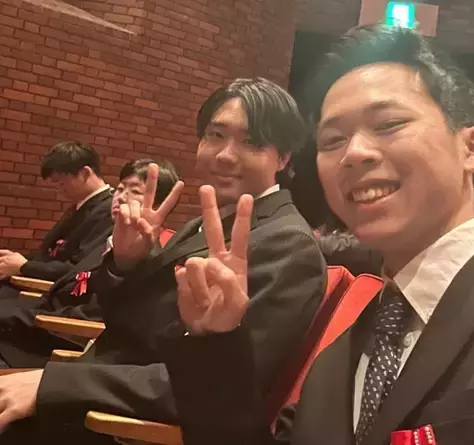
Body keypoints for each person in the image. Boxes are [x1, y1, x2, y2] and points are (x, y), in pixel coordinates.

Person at [157, 26, 474, 445]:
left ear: (473, 148)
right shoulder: (339, 356)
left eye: (388, 125)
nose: (354, 153)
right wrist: (216, 342)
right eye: (332, 140)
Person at [0, 78, 326, 445]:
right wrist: (126, 262)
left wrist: (54, 385)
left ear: (283, 158)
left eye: (251, 142)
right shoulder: (205, 222)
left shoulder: (287, 244)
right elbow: (126, 321)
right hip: (100, 382)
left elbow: (213, 389)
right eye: (216, 135)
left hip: (122, 424)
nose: (225, 154)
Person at [0, 159, 180, 369]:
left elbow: (94, 315)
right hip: (44, 320)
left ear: (159, 205)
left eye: (135, 191)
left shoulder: (152, 256)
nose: (122, 197)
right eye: (120, 188)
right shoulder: (108, 240)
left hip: (64, 340)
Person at [0, 141, 113, 286]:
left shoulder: (109, 210)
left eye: (61, 184)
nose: (59, 192)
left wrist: (25, 266)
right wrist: (15, 261)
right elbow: (50, 255)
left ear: (85, 173)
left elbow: (80, 267)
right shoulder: (79, 207)